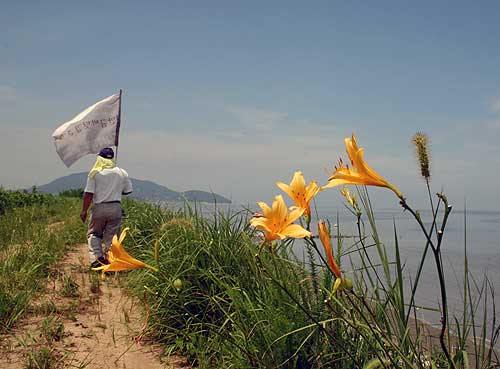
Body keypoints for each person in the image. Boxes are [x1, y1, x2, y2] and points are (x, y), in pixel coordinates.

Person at [80, 147, 133, 269]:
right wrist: (115, 189)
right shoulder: (122, 173)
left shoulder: (94, 173)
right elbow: (128, 191)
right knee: (112, 236)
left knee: (94, 233)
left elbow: (89, 194)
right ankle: (111, 261)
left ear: (100, 158)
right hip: (116, 208)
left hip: (99, 207)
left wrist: (84, 210)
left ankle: (97, 259)